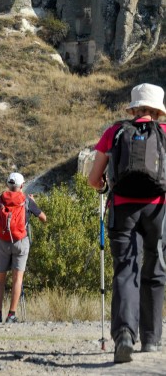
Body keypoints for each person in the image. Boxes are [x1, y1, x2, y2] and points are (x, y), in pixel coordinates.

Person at [89, 83, 166, 363]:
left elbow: (93, 178)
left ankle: (123, 335)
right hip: (157, 210)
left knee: (125, 269)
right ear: (158, 110)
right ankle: (152, 339)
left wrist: (104, 183)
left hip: (122, 210)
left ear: (133, 109)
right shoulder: (165, 133)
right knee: (154, 269)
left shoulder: (114, 132)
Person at [0, 172, 47, 324]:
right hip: (20, 242)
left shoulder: (0, 199)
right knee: (17, 279)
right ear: (22, 185)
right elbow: (43, 218)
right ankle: (11, 315)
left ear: (8, 185)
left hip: (2, 241)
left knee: (0, 279)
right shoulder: (26, 200)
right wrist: (32, 204)